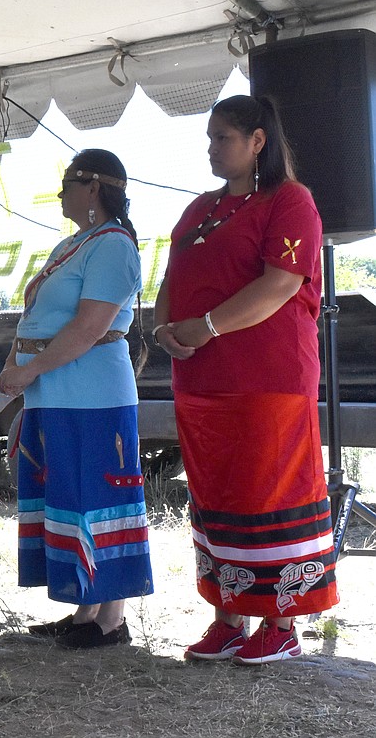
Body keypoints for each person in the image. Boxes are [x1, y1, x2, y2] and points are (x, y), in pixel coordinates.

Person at [155, 95, 337, 665]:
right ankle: (229, 620)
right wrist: (163, 327)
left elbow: (281, 283)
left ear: (259, 141)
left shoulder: (290, 201)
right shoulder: (200, 208)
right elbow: (173, 275)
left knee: (270, 491)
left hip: (267, 378)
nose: (211, 148)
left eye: (223, 138)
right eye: (209, 137)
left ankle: (281, 624)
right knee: (216, 497)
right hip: (200, 379)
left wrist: (206, 326)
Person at [0, 149, 153, 650]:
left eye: (68, 182)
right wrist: (13, 366)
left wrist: (29, 370)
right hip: (53, 391)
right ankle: (87, 609)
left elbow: (89, 327)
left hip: (93, 394)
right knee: (67, 493)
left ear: (93, 188)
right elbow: (37, 319)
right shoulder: (72, 244)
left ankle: (112, 618)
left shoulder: (114, 245)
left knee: (99, 493)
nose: (61, 191)